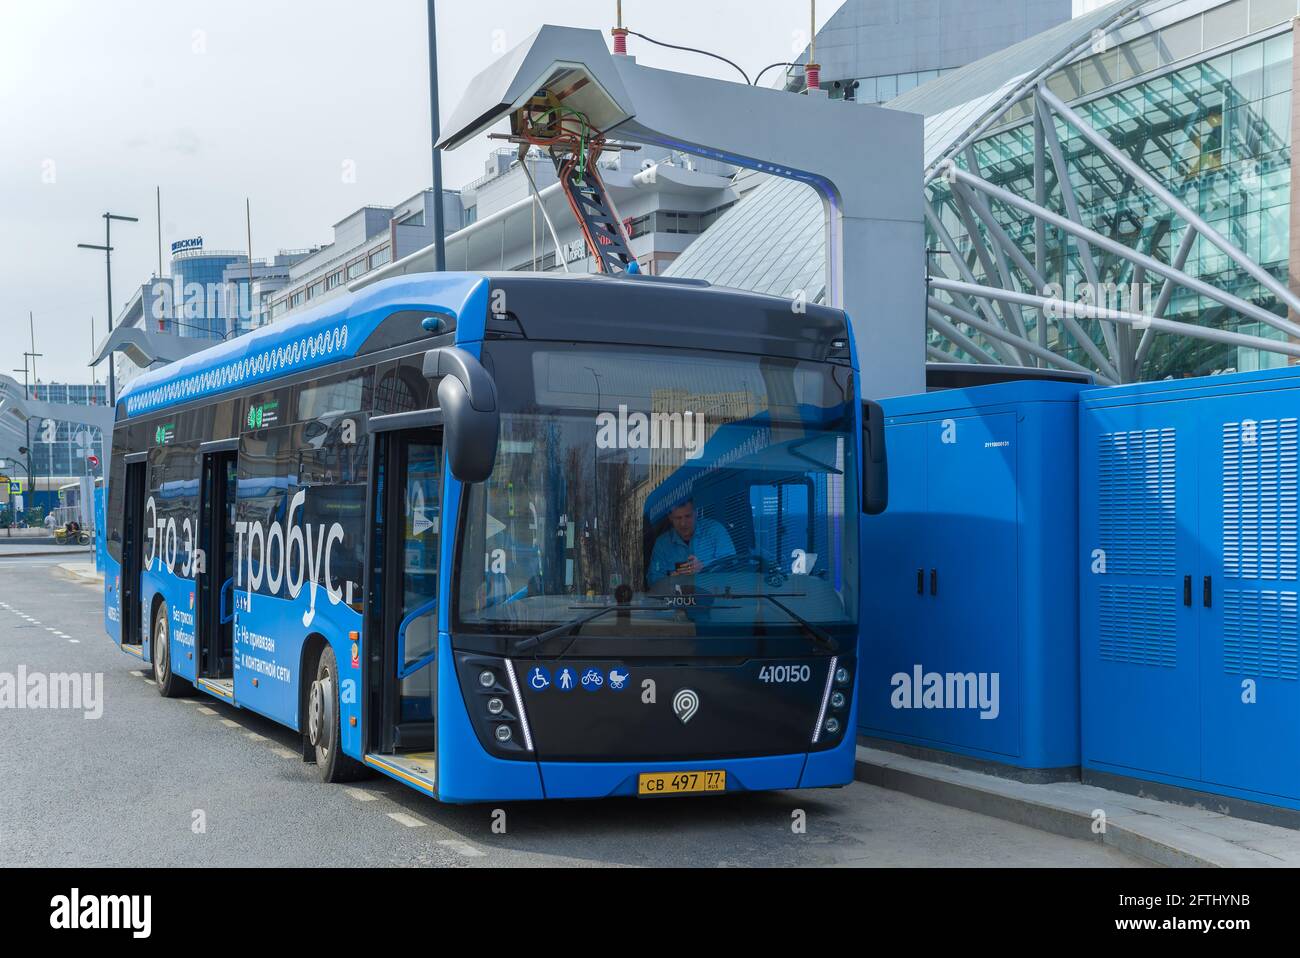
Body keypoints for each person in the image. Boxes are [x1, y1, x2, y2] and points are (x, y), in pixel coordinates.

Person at [648, 498, 735, 585]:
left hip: (716, 594)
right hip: (677, 597)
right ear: (670, 518)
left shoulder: (715, 531)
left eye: (687, 516)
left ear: (695, 513)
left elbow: (732, 566)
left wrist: (703, 569)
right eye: (678, 518)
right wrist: (670, 579)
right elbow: (653, 579)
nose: (683, 523)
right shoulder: (662, 544)